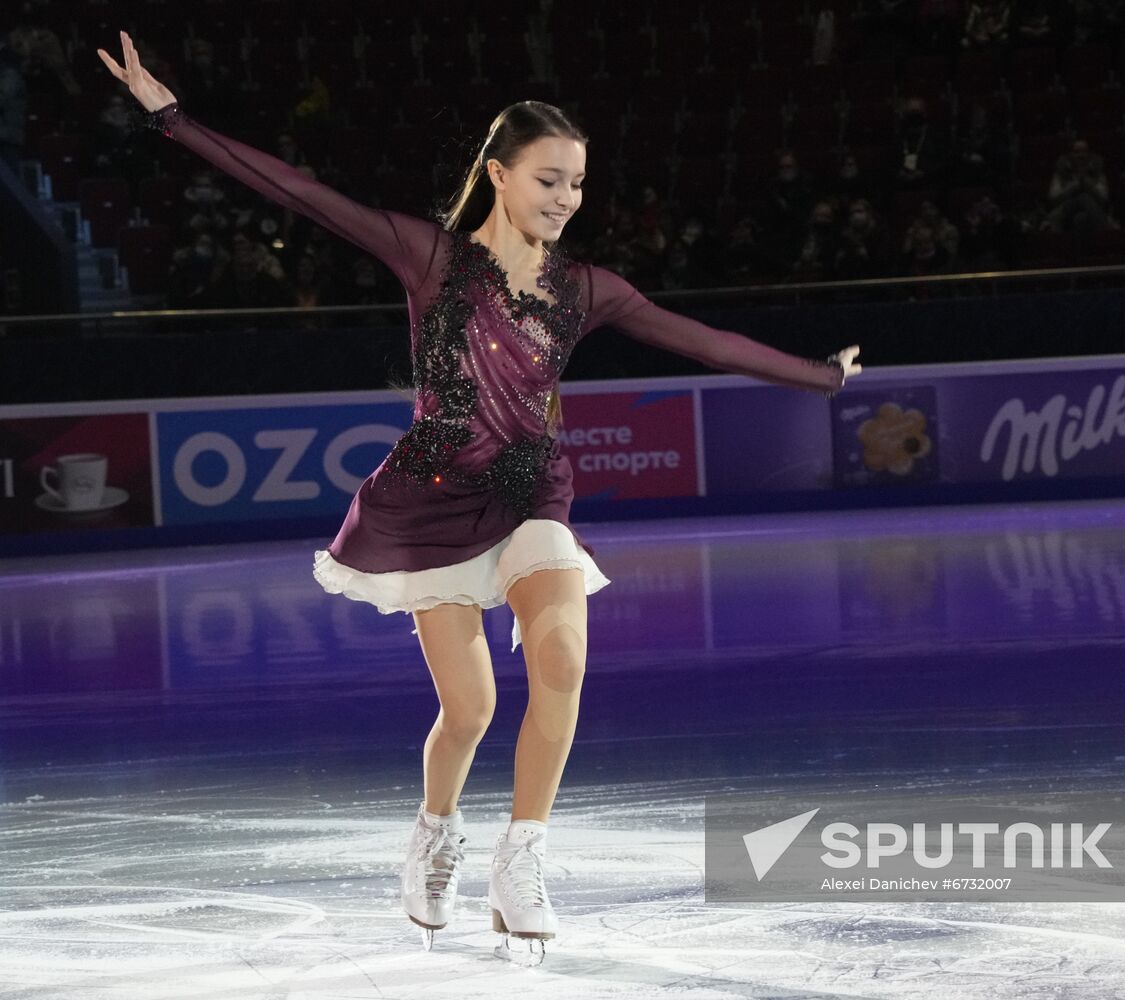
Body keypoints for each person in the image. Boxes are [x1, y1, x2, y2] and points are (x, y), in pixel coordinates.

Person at [99, 30, 862, 964]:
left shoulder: (586, 289)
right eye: (549, 179)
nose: (567, 199)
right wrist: (170, 117)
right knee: (467, 713)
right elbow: (301, 196)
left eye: (577, 184)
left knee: (565, 664)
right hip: (430, 501)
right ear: (499, 174)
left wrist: (820, 379)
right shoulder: (431, 260)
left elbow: (702, 342)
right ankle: (435, 833)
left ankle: (522, 856)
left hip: (533, 491)